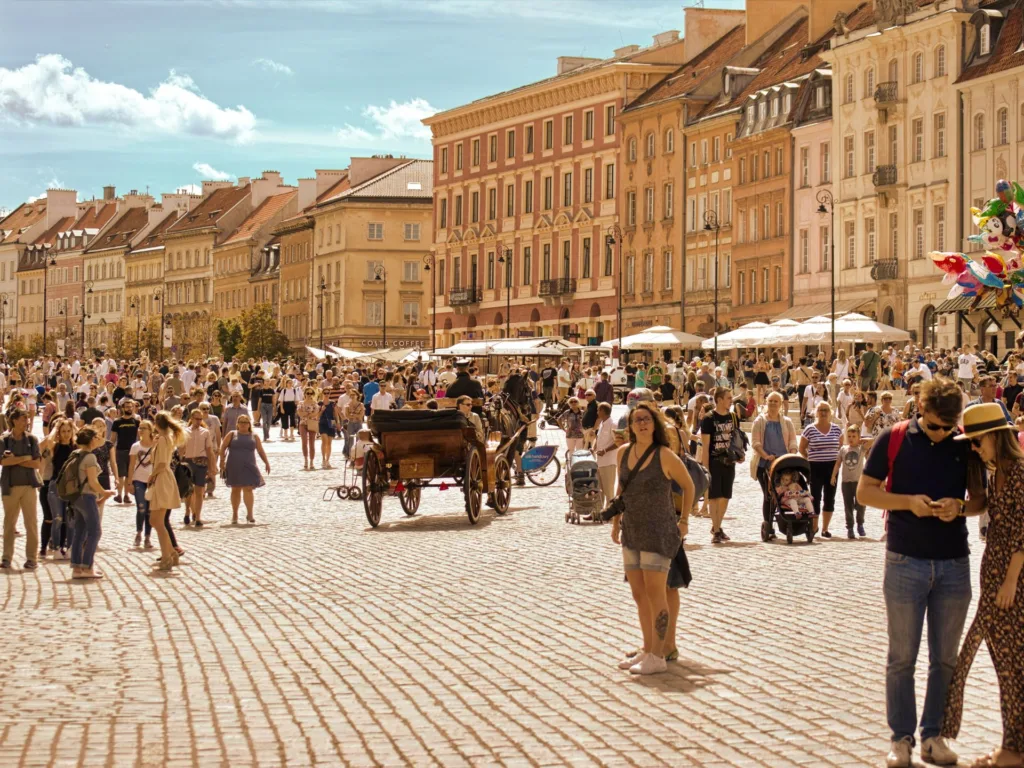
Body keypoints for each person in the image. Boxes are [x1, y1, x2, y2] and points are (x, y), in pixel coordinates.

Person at [857, 377, 985, 768]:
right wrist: (907, 503)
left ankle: (934, 737)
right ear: (920, 410)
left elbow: (980, 499)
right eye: (936, 426)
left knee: (945, 659)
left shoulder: (964, 444)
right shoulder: (894, 438)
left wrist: (959, 508)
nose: (944, 433)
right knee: (902, 658)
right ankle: (901, 739)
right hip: (904, 560)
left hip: (953, 563)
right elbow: (865, 492)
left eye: (950, 426)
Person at [941, 403, 1024, 767]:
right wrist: (958, 508)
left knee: (1010, 665)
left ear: (994, 436)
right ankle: (1012, 745)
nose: (975, 448)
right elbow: (986, 506)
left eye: (977, 442)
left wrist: (1009, 582)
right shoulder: (997, 472)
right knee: (1003, 664)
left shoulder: (1019, 472)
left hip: (1013, 580)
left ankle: (1013, 749)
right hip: (993, 571)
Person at [611, 402, 695, 676]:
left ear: (654, 424)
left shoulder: (664, 455)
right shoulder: (623, 452)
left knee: (657, 593)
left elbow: (688, 484)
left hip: (658, 532)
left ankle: (659, 654)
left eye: (646, 419)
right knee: (639, 594)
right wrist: (615, 523)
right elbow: (620, 490)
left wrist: (683, 521)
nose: (642, 424)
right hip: (632, 531)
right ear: (631, 427)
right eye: (637, 421)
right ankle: (648, 649)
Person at [751, 392, 797, 541]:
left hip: (783, 464)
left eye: (776, 401)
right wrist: (765, 455)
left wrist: (792, 453)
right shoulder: (760, 421)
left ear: (781, 404)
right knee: (769, 495)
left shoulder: (787, 422)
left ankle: (788, 520)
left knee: (785, 494)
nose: (772, 404)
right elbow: (756, 442)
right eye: (770, 401)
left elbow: (792, 441)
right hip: (765, 463)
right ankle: (769, 525)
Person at [70, 426, 114, 579]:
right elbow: (93, 482)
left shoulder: (75, 453)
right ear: (90, 439)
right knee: (95, 531)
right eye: (96, 437)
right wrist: (105, 492)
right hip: (86, 496)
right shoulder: (90, 457)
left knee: (80, 532)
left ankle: (76, 568)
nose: (98, 438)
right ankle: (87, 567)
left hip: (76, 497)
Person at [0, 409, 41, 571]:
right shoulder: (4, 440)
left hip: (29, 486)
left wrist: (16, 460)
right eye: (23, 419)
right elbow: (3, 462)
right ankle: (6, 558)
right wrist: (25, 458)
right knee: (9, 524)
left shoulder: (32, 439)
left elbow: (36, 463)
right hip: (10, 486)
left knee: (31, 523)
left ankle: (32, 558)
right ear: (14, 421)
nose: (27, 422)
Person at [701, 386, 742, 544]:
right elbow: (705, 446)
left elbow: (736, 439)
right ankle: (716, 530)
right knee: (714, 497)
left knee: (725, 496)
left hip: (729, 461)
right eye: (728, 398)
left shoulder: (733, 417)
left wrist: (739, 455)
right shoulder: (709, 419)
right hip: (714, 461)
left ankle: (717, 526)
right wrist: (706, 468)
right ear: (719, 400)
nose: (731, 401)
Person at [148, 411, 185, 571]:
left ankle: (167, 555)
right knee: (157, 520)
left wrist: (152, 475)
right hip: (163, 478)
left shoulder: (163, 439)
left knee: (157, 521)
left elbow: (162, 463)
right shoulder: (164, 439)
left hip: (162, 478)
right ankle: (170, 552)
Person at [799, 401, 843, 537]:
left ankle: (825, 528)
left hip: (832, 467)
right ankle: (814, 526)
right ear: (816, 412)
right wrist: (810, 458)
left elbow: (841, 449)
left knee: (830, 497)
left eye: (826, 410)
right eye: (820, 410)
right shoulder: (810, 429)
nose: (823, 413)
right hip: (815, 467)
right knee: (815, 497)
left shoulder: (836, 429)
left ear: (830, 413)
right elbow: (802, 448)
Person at [220, 414, 271, 525]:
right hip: (234, 465)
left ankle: (250, 513)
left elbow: (260, 451)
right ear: (237, 424)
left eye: (245, 422)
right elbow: (223, 447)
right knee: (235, 489)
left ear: (249, 424)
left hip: (249, 465)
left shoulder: (254, 436)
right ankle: (235, 514)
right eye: (241, 422)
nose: (243, 424)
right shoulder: (232, 434)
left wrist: (266, 462)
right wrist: (221, 462)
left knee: (248, 489)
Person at [43, 418, 75, 559]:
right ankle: (56, 548)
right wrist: (56, 426)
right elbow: (49, 440)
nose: (66, 434)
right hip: (55, 484)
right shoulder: (55, 446)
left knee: (70, 519)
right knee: (58, 518)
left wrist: (73, 425)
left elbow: (85, 438)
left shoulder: (75, 447)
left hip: (71, 486)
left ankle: (69, 547)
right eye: (63, 431)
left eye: (68, 431)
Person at [182, 408, 216, 527]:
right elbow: (181, 449)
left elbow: (209, 450)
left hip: (201, 463)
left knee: (200, 490)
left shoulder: (205, 432)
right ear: (191, 418)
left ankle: (198, 517)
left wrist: (212, 466)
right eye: (196, 419)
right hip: (188, 462)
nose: (198, 421)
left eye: (200, 419)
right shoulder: (185, 431)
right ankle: (187, 511)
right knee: (189, 491)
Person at [832, 424, 867, 539]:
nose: (851, 438)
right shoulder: (843, 449)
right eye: (849, 436)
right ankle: (850, 527)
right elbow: (838, 464)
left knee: (861, 504)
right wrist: (833, 476)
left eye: (854, 436)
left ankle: (860, 524)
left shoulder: (861, 449)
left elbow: (872, 441)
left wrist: (862, 440)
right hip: (846, 482)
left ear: (858, 437)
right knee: (848, 506)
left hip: (858, 482)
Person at [127, 419, 155, 549]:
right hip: (138, 480)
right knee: (141, 507)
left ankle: (147, 537)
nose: (141, 430)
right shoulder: (135, 446)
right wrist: (129, 482)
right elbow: (131, 465)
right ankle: (138, 533)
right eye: (140, 428)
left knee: (149, 510)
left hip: (152, 481)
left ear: (150, 430)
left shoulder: (155, 445)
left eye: (144, 428)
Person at [111, 400, 140, 505]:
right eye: (127, 407)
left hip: (133, 451)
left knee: (129, 474)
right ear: (123, 408)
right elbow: (113, 438)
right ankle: (119, 494)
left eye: (131, 407)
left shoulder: (136, 422)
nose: (129, 408)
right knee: (120, 474)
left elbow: (140, 437)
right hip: (120, 450)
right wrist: (110, 450)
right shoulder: (117, 422)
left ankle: (126, 495)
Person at [593, 402, 617, 506]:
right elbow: (598, 439)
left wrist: (605, 451)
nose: (597, 412)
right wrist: (593, 448)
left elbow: (618, 442)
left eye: (598, 410)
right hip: (599, 461)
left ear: (603, 411)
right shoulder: (602, 424)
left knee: (608, 490)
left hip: (609, 461)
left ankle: (609, 513)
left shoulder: (613, 424)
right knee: (599, 489)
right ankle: (598, 512)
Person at [297, 387, 320, 471]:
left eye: (311, 393)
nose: (309, 395)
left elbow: (315, 413)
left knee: (312, 443)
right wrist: (308, 413)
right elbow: (299, 413)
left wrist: (306, 414)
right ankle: (306, 460)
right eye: (308, 393)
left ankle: (311, 461)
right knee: (304, 442)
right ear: (305, 393)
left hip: (312, 423)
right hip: (303, 423)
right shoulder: (301, 403)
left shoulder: (315, 403)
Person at [317, 389, 341, 470]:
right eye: (325, 393)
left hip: (331, 422)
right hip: (322, 422)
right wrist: (322, 410)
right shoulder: (320, 403)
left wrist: (338, 422)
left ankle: (327, 460)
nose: (327, 394)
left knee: (329, 443)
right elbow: (317, 415)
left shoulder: (332, 403)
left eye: (328, 393)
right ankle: (323, 459)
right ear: (322, 393)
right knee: (324, 441)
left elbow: (335, 414)